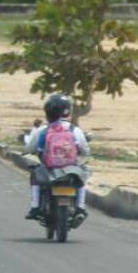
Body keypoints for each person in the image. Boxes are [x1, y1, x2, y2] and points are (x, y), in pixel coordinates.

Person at [22, 93, 90, 225]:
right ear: (67, 111)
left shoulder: (43, 130)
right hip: (71, 169)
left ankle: (35, 207)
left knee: (35, 175)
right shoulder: (75, 130)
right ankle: (81, 207)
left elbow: (29, 148)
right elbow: (85, 150)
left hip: (49, 168)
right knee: (82, 178)